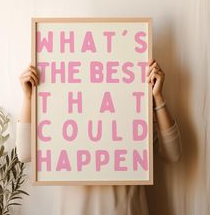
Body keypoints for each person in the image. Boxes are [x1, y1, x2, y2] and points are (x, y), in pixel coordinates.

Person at [16, 58, 182, 215]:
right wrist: (28, 98)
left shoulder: (133, 102)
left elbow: (172, 154)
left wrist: (157, 96)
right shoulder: (58, 104)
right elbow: (24, 153)